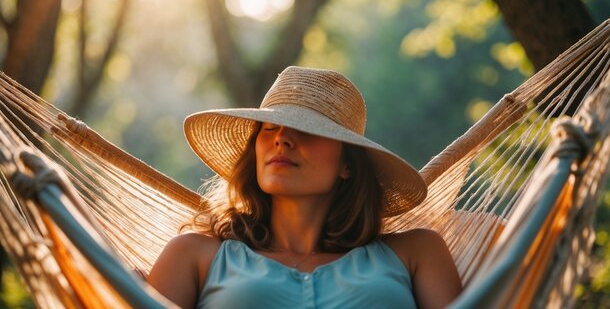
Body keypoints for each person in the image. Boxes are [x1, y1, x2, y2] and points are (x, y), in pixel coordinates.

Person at [148, 66, 462, 308]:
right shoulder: (194, 255)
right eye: (269, 128)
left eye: (306, 131)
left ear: (347, 164)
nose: (281, 139)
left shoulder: (416, 252)